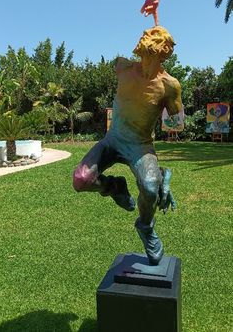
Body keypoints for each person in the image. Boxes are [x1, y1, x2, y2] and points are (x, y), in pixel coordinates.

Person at [73, 26, 182, 265]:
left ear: (163, 55)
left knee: (150, 189)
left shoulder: (170, 85)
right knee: (81, 180)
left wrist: (165, 104)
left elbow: (175, 116)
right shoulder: (121, 67)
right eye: (144, 53)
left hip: (141, 147)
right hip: (112, 140)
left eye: (152, 55)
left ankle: (145, 226)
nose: (146, 60)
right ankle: (114, 187)